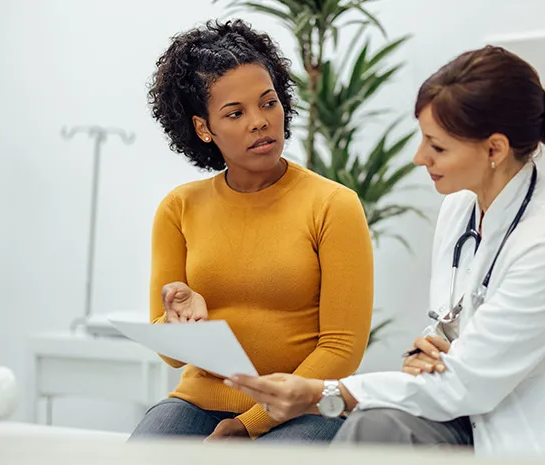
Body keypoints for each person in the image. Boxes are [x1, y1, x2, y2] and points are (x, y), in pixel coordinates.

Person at [225, 45, 545, 459]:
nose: (419, 158)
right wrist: (426, 350)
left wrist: (322, 393)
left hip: (539, 438)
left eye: (437, 146)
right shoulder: (460, 208)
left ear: (494, 150)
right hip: (469, 418)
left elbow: (466, 381)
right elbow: (446, 334)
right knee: (375, 426)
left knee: (371, 425)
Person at [128, 19, 374, 443]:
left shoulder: (333, 205)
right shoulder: (179, 208)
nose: (260, 122)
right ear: (204, 128)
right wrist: (178, 321)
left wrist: (249, 424)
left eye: (268, 103)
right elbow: (169, 354)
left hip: (304, 407)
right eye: (235, 112)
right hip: (198, 402)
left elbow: (341, 349)